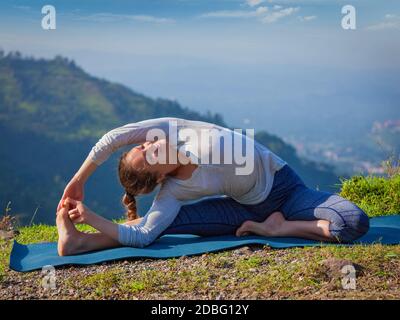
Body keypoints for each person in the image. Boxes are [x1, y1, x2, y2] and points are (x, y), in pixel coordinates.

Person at [56, 117, 369, 256]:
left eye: (141, 147)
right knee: (162, 225)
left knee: (353, 222)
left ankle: (279, 228)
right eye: (149, 156)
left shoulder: (171, 130)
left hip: (287, 191)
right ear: (160, 177)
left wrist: (77, 180)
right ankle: (79, 244)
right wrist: (91, 217)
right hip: (242, 209)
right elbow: (144, 235)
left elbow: (113, 139)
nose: (149, 145)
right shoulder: (174, 190)